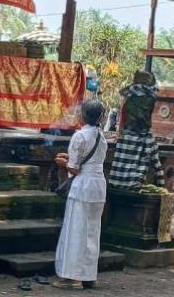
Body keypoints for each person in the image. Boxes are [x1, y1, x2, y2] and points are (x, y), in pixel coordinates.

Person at [53, 99, 108, 290]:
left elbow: (75, 170)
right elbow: (90, 161)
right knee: (92, 232)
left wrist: (63, 163)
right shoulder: (102, 136)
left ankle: (72, 277)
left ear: (83, 116)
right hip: (98, 186)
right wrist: (71, 160)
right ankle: (88, 276)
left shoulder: (79, 136)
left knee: (76, 231)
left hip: (82, 187)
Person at [109, 70, 165, 189]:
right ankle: (160, 187)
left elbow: (123, 114)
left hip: (127, 136)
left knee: (120, 166)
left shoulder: (129, 94)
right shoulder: (152, 96)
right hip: (144, 136)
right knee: (154, 165)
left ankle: (117, 185)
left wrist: (119, 133)